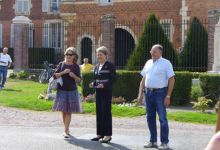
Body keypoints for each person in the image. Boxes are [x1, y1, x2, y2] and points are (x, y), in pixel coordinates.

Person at [138, 44, 175, 150]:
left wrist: (168, 96)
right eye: (151, 51)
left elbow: (171, 79)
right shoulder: (148, 62)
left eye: (154, 51)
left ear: (160, 52)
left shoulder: (166, 63)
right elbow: (143, 79)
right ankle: (153, 141)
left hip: (160, 93)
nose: (152, 53)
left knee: (162, 118)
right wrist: (141, 94)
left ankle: (164, 143)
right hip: (148, 93)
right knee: (149, 118)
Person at [52, 47, 82, 138]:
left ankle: (66, 130)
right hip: (61, 90)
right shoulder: (61, 64)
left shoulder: (76, 66)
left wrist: (73, 76)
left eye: (70, 55)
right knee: (64, 111)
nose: (68, 56)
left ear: (74, 56)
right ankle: (66, 129)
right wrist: (63, 72)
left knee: (69, 111)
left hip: (72, 91)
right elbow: (54, 76)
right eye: (67, 54)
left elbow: (79, 80)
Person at [89, 46, 116, 143]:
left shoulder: (110, 65)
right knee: (99, 112)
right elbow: (95, 78)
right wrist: (93, 83)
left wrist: (104, 85)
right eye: (98, 54)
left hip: (106, 92)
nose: (99, 56)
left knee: (106, 113)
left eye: (101, 54)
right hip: (98, 92)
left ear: (105, 55)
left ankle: (108, 135)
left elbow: (113, 79)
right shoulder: (96, 66)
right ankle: (99, 134)